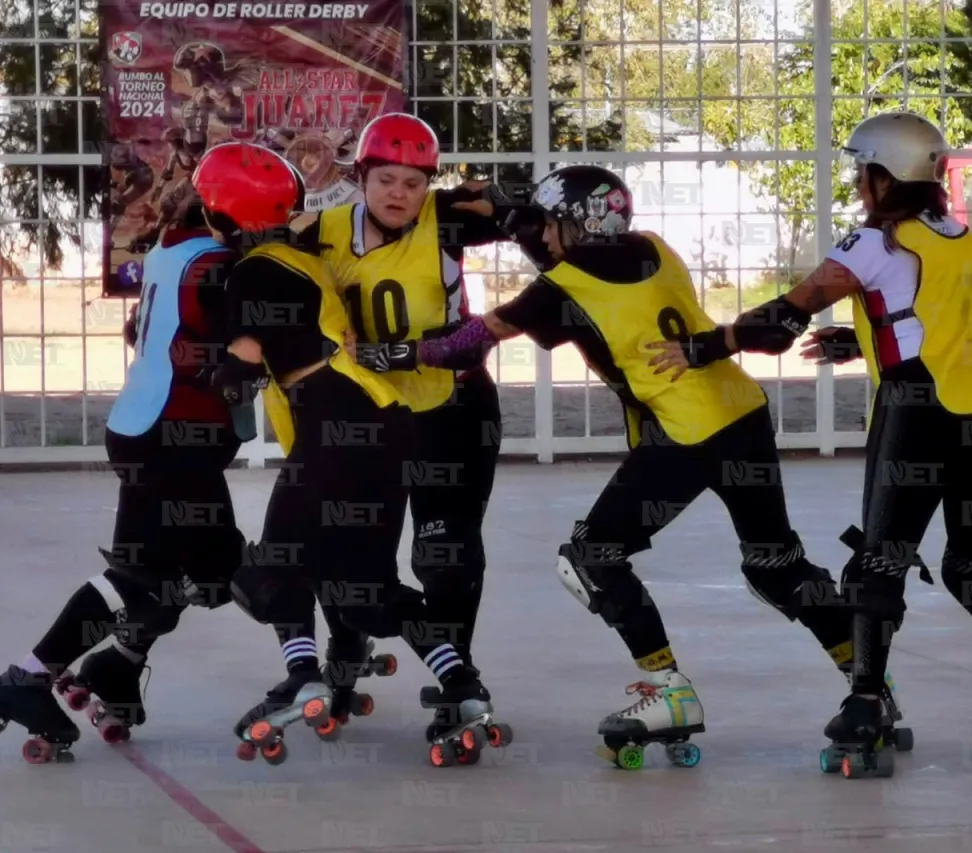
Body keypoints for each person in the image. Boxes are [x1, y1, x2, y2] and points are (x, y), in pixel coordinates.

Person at [354, 165, 863, 768]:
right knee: (777, 565)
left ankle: (670, 691)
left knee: (592, 557)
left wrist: (394, 353)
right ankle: (870, 681)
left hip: (685, 433)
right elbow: (572, 268)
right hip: (742, 414)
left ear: (571, 225)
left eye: (550, 225)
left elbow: (469, 342)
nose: (542, 236)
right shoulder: (652, 246)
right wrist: (522, 217)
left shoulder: (563, 288)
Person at [649, 111, 972, 776]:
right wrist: (856, 337)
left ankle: (867, 702)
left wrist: (704, 345)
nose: (857, 186)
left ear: (881, 174)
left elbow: (785, 316)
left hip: (920, 411)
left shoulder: (876, 243)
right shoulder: (959, 236)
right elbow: (930, 318)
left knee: (878, 563)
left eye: (861, 172)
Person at [191, 141, 500, 761]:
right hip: (386, 419)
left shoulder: (252, 269)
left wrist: (208, 369)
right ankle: (463, 686)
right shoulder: (307, 261)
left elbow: (242, 367)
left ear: (220, 216)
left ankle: (301, 676)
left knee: (268, 568)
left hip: (334, 424)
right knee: (368, 585)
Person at [0, 198, 251, 763]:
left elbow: (145, 328)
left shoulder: (175, 248)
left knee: (164, 576)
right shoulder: (222, 265)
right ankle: (34, 675)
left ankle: (113, 667)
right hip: (174, 435)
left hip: (146, 425)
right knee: (209, 571)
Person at [292, 112, 515, 739]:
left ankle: (456, 678)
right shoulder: (318, 231)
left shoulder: (445, 221)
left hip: (453, 410)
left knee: (444, 551)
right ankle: (345, 652)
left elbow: (539, 222)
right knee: (349, 549)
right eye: (386, 179)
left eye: (414, 182)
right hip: (366, 415)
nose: (400, 194)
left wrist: (500, 199)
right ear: (360, 177)